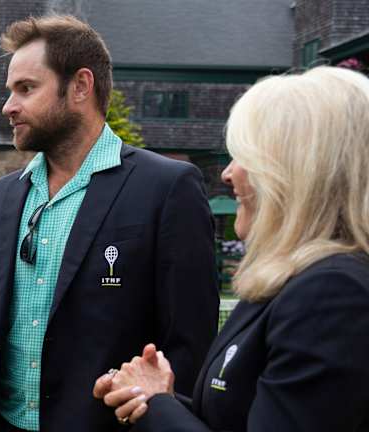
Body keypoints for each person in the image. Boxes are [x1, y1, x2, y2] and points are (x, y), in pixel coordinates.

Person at [0, 15, 219, 432]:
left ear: (80, 86)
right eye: (10, 91)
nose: (8, 106)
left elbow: (188, 344)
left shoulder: (167, 188)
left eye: (26, 88)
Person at [93, 65, 369, 431]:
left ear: (298, 170)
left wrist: (156, 405)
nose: (228, 173)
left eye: (245, 156)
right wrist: (152, 395)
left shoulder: (331, 295)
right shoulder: (289, 281)